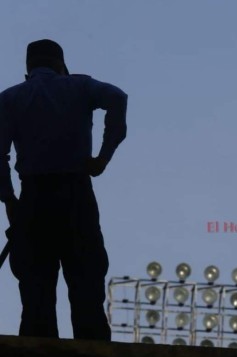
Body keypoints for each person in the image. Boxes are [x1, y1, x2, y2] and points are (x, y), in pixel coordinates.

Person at [0, 39, 127, 340]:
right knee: (86, 280)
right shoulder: (79, 86)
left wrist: (8, 200)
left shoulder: (10, 99)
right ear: (60, 65)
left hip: (33, 198)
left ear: (29, 69)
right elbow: (118, 98)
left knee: (36, 289)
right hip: (76, 193)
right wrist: (103, 157)